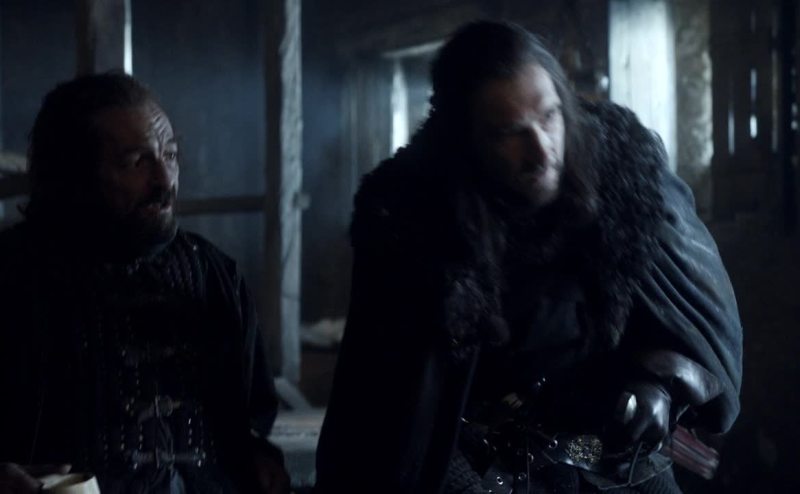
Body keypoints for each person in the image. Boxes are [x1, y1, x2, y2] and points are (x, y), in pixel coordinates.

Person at [314, 21, 742, 494]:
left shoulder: (625, 177)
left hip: (607, 458)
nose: (541, 150)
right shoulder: (411, 219)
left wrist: (659, 384)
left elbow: (694, 329)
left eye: (550, 116)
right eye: (510, 133)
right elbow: (391, 407)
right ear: (467, 139)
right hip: (480, 463)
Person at [0, 73, 289, 493]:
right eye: (136, 162)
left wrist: (258, 455)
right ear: (73, 173)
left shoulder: (212, 274)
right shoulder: (14, 276)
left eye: (169, 155)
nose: (164, 182)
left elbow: (250, 415)